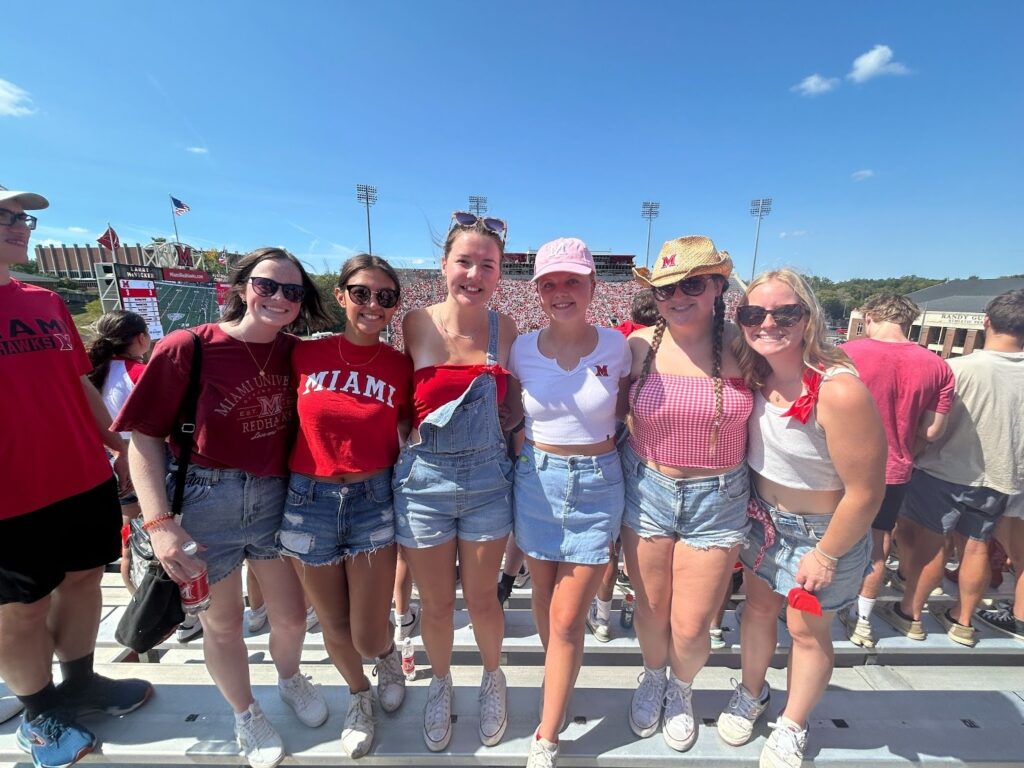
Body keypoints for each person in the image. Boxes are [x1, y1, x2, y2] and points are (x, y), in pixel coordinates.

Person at [115, 247, 333, 768]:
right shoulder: (187, 347)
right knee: (224, 622)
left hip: (273, 495)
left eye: (293, 291)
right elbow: (142, 438)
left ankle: (288, 678)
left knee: (291, 615)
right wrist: (160, 525)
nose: (279, 298)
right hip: (205, 497)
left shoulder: (295, 352)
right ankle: (245, 713)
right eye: (267, 285)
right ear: (240, 287)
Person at [0, 184, 152, 768]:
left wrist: (119, 448)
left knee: (86, 579)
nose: (20, 225)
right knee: (24, 608)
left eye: (24, 218)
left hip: (81, 476)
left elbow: (78, 384)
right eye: (6, 216)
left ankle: (80, 682)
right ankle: (37, 713)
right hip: (11, 495)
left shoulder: (44, 301)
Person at [718, 268, 885, 768]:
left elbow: (866, 491)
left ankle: (792, 722)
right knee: (757, 612)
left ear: (808, 316)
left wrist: (828, 553)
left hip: (821, 532)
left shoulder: (838, 390)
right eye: (753, 313)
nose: (767, 323)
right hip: (761, 520)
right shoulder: (757, 373)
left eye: (784, 312)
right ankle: (752, 693)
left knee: (808, 632)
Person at [394, 211, 520, 752]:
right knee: (438, 603)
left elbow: (512, 408)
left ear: (499, 274)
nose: (474, 273)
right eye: (464, 261)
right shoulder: (415, 323)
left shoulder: (506, 328)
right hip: (425, 484)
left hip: (489, 482)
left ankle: (493, 678)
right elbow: (402, 408)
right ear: (443, 264)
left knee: (486, 600)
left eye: (486, 265)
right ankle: (441, 685)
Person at [620, 236, 752, 752]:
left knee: (693, 624)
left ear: (718, 285)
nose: (677, 296)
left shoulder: (742, 343)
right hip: (648, 487)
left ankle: (681, 689)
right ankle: (653, 676)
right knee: (651, 609)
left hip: (717, 496)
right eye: (666, 288)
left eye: (692, 284)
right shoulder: (637, 344)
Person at [278, 254, 412, 758]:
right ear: (340, 296)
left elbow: (407, 427)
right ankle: (359, 696)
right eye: (361, 293)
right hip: (307, 499)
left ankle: (389, 657)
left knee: (369, 629)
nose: (372, 304)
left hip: (372, 498)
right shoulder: (302, 354)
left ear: (394, 306)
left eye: (385, 297)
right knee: (332, 622)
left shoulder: (401, 365)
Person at [507, 238, 631, 767]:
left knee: (564, 621)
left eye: (572, 282)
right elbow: (514, 418)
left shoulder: (620, 347)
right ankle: (561, 677)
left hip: (598, 483)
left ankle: (548, 734)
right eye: (550, 283)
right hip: (537, 479)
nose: (561, 293)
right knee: (546, 616)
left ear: (592, 288)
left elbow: (626, 414)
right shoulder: (520, 350)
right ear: (537, 291)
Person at [877, 289, 1024, 647]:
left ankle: (910, 613)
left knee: (928, 544)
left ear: (986, 321)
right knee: (975, 546)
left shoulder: (955, 370)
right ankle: (963, 621)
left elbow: (926, 426)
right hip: (1002, 477)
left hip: (944, 471)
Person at [839, 294, 955, 647]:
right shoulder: (938, 366)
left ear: (870, 316)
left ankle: (808, 608)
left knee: (823, 539)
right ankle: (862, 621)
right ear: (909, 321)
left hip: (838, 466)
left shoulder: (846, 353)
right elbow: (933, 431)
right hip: (895, 470)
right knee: (879, 542)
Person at [86, 310, 155, 593]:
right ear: (141, 339)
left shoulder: (90, 375)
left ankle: (137, 598)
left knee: (130, 538)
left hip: (110, 463)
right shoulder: (141, 374)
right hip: (147, 463)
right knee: (160, 533)